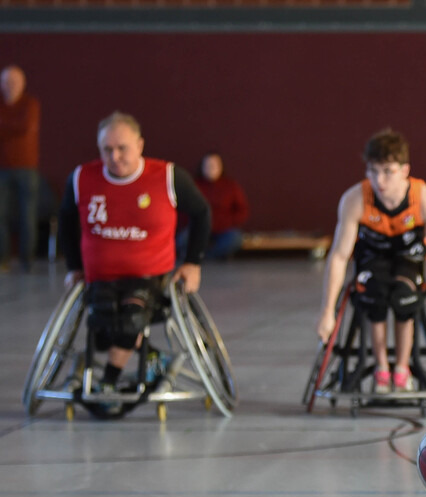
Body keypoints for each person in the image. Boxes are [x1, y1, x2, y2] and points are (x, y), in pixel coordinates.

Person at [58, 111, 211, 401]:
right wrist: (74, 266)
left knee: (131, 319)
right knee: (102, 326)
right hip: (101, 276)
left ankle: (109, 380)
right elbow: (65, 219)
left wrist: (193, 263)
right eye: (107, 150)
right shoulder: (82, 178)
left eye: (122, 148)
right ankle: (154, 358)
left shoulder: (167, 176)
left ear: (140, 145)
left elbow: (202, 214)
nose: (115, 156)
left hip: (148, 275)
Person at [316, 129, 426, 393]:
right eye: (373, 171)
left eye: (388, 171)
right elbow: (339, 256)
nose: (379, 179)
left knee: (404, 297)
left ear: (405, 170)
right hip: (372, 260)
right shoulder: (355, 199)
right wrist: (326, 313)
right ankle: (381, 369)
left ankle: (401, 369)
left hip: (409, 260)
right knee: (373, 295)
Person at [0, 65, 41, 272]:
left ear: (22, 84)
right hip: (2, 168)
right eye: (7, 82)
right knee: (1, 214)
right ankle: (3, 260)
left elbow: (23, 127)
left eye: (14, 82)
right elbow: (14, 127)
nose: (10, 86)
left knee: (28, 215)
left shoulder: (30, 104)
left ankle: (27, 261)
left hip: (26, 168)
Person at [177, 151, 249, 261]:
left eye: (214, 165)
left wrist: (228, 222)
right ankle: (195, 255)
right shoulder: (194, 185)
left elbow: (242, 210)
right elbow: (183, 208)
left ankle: (208, 256)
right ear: (202, 167)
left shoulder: (230, 186)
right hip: (198, 228)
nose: (211, 168)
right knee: (182, 240)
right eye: (208, 165)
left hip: (223, 230)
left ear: (221, 167)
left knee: (235, 239)